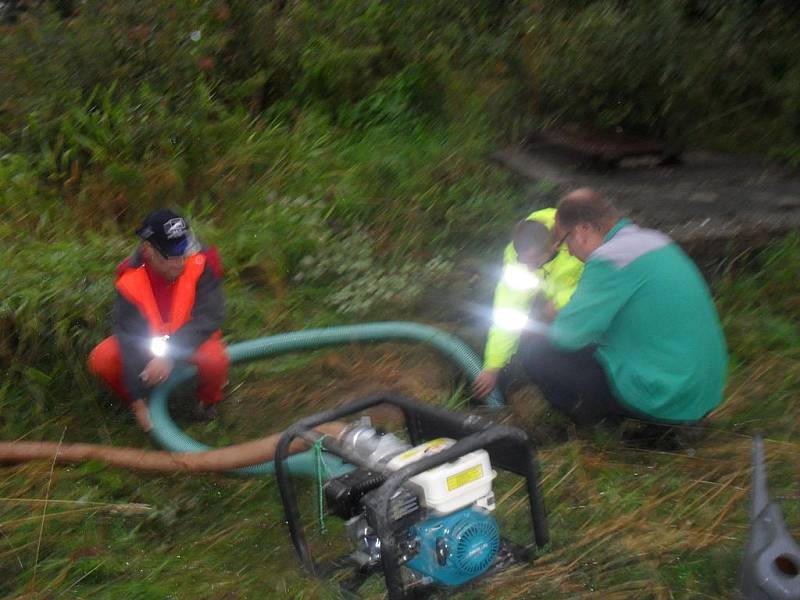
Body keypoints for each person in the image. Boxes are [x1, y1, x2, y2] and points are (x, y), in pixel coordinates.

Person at [515, 188, 727, 425]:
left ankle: (610, 428)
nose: (571, 254)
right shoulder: (655, 240)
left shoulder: (609, 259)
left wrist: (551, 319)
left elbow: (567, 337)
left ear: (582, 230)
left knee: (536, 350)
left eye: (565, 242)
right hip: (703, 390)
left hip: (665, 397)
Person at [88, 209, 228, 431]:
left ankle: (206, 403)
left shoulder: (203, 261)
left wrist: (171, 352)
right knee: (102, 358)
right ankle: (145, 403)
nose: (179, 262)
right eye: (169, 256)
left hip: (192, 340)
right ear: (148, 250)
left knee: (215, 358)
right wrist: (136, 400)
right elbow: (129, 337)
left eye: (182, 251)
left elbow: (210, 316)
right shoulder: (129, 278)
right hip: (148, 345)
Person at [473, 208, 584, 399]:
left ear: (555, 246)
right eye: (524, 261)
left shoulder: (580, 239)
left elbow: (605, 281)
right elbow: (507, 314)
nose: (528, 268)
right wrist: (492, 366)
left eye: (535, 262)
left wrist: (562, 302)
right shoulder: (518, 263)